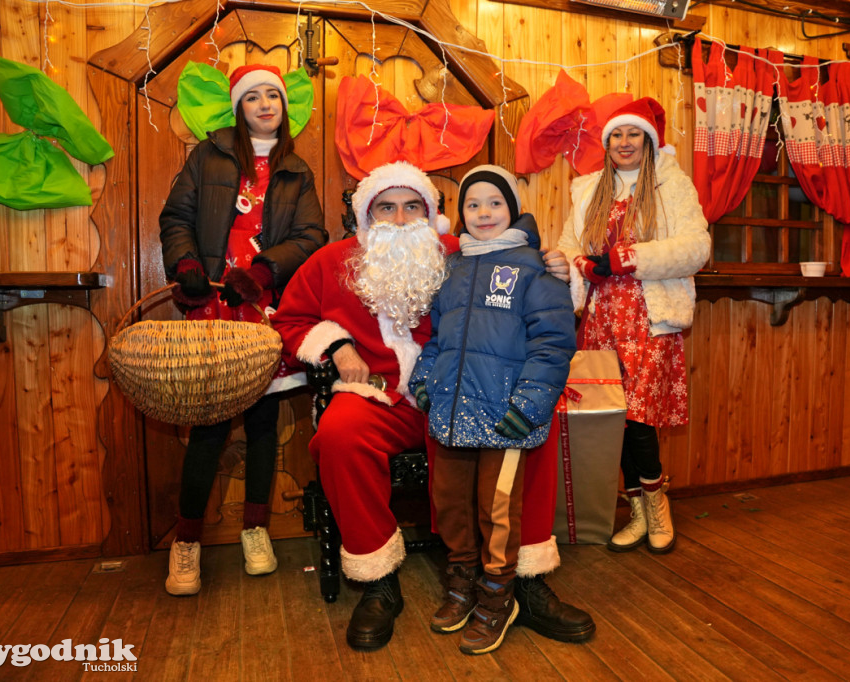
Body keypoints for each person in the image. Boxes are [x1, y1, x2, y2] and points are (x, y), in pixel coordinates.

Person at [273, 161, 594, 651]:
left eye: (411, 208)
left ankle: (524, 580)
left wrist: (558, 268)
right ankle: (377, 578)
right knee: (338, 435)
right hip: (377, 396)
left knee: (534, 423)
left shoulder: (457, 252)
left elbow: (523, 274)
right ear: (366, 214)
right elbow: (291, 318)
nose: (400, 220)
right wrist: (337, 346)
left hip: (462, 391)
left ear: (432, 214)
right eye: (386, 208)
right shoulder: (330, 261)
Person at [158, 64, 327, 595]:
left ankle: (256, 529)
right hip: (211, 305)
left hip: (264, 309)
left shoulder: (297, 169)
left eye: (272, 95)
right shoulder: (206, 155)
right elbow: (175, 218)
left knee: (261, 422)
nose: (263, 104)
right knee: (208, 425)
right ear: (238, 107)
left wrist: (263, 270)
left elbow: (312, 234)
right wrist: (185, 264)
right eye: (251, 96)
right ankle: (186, 542)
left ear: (283, 105)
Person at [408, 166, 576, 655]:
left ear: (513, 208)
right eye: (473, 204)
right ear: (460, 214)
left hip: (505, 419)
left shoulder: (534, 267)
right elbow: (439, 339)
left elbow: (552, 344)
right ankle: (461, 582)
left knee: (496, 511)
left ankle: (498, 597)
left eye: (494, 203)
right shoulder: (454, 270)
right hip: (452, 416)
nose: (483, 213)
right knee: (451, 504)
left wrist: (528, 406)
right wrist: (423, 384)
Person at [557, 97, 710, 554]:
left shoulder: (671, 184)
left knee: (640, 419)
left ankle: (657, 504)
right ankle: (638, 513)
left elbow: (697, 247)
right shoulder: (587, 190)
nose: (624, 143)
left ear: (648, 140)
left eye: (633, 134)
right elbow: (568, 246)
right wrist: (581, 264)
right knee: (615, 419)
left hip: (649, 314)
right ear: (607, 144)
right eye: (617, 136)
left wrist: (632, 258)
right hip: (603, 317)